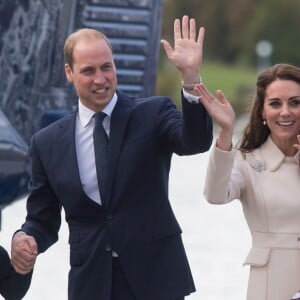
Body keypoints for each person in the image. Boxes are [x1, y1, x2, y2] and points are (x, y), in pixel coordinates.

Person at [10, 15, 213, 300]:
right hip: (91, 284)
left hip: (156, 281)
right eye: (88, 71)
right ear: (69, 72)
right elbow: (41, 221)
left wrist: (190, 79)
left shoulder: (153, 113)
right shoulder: (46, 143)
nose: (100, 79)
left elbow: (195, 142)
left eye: (107, 67)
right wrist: (24, 237)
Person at [193, 63, 300, 300]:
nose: (285, 111)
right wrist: (226, 132)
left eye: (295, 102)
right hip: (272, 285)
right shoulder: (247, 160)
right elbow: (215, 195)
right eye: (275, 103)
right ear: (262, 111)